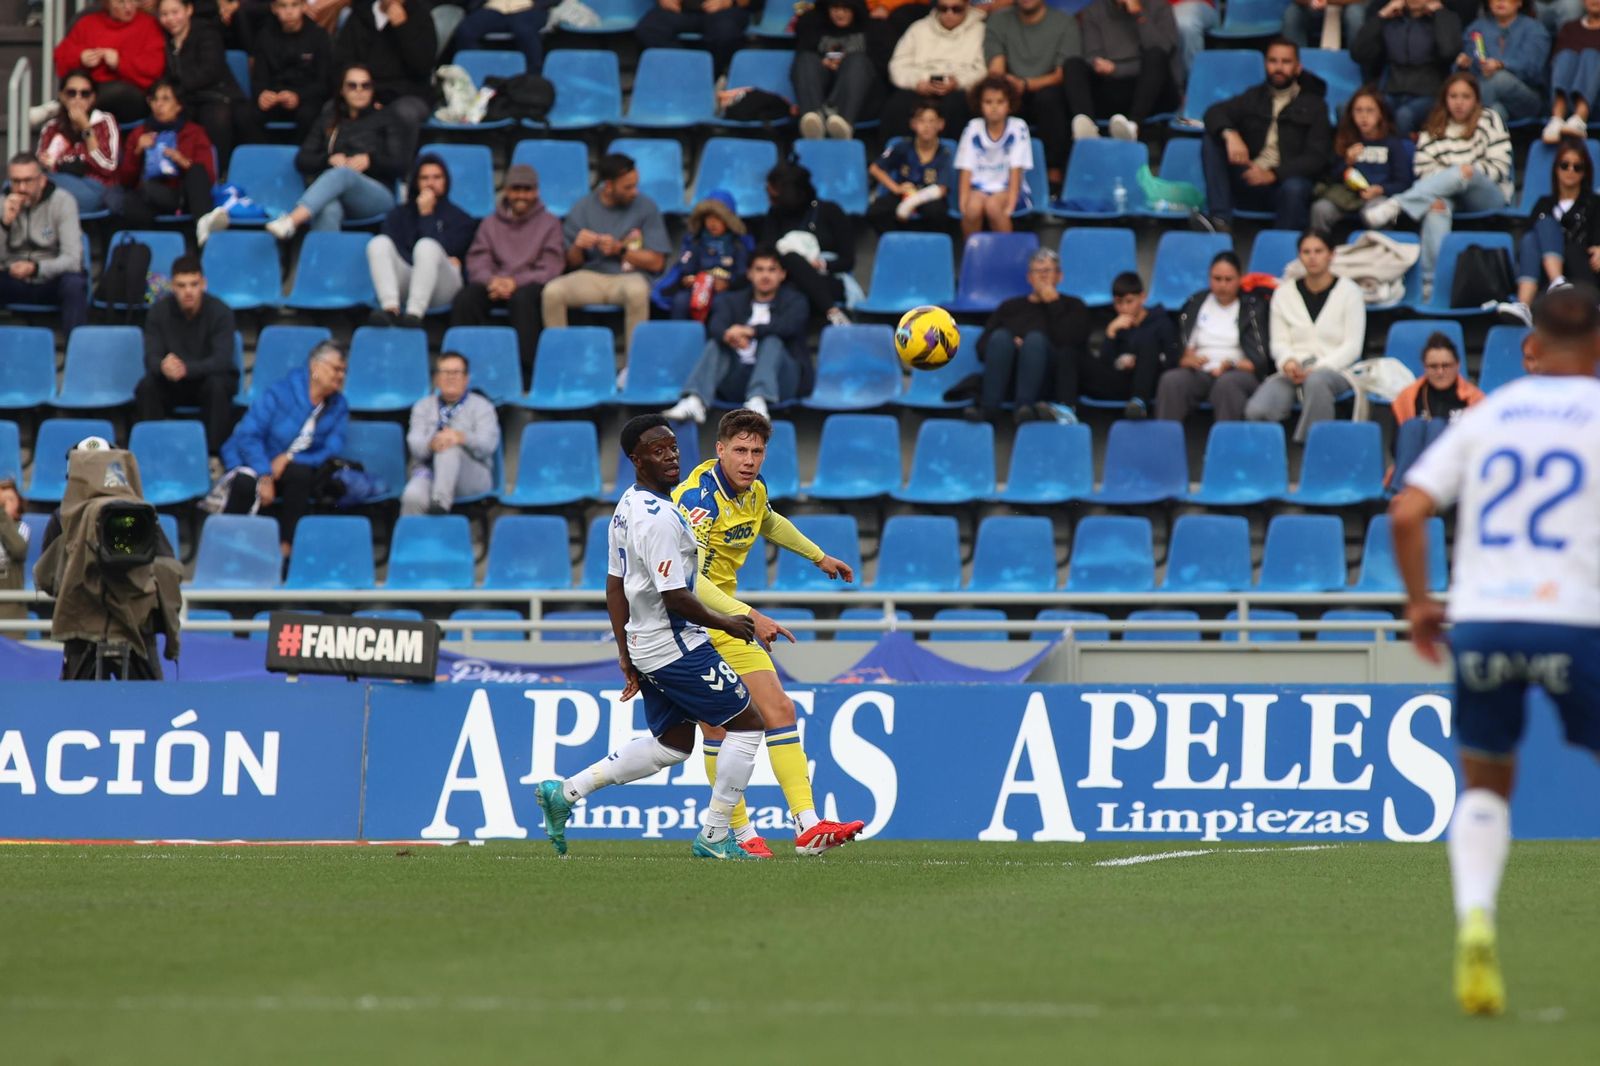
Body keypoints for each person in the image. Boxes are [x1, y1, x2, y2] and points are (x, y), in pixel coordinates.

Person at [1389, 283, 1600, 1017]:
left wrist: (1420, 603)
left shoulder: (1490, 415)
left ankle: (1477, 919)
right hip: (1575, 623)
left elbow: (1408, 510)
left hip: (1483, 624)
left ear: (1529, 347)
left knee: (1484, 786)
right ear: (1599, 345)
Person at [532, 414, 767, 861]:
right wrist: (728, 621)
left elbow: (614, 584)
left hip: (646, 643)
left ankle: (565, 792)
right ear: (636, 460)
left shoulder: (627, 506)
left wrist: (626, 654)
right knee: (748, 724)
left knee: (674, 744)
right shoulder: (657, 518)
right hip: (675, 642)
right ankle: (716, 835)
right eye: (658, 451)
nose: (671, 456)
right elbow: (676, 595)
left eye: (673, 447)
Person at [669, 409, 865, 858]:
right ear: (719, 450)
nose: (749, 459)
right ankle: (736, 833)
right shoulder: (698, 501)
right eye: (739, 450)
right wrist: (752, 616)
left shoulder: (753, 492)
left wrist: (818, 557)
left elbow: (770, 521)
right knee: (718, 728)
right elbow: (689, 582)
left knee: (778, 707)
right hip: (687, 624)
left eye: (757, 451)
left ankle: (808, 826)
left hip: (728, 619)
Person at [1360, 74, 1513, 301]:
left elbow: (1501, 166)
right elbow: (1424, 170)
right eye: (1453, 96)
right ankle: (1430, 285)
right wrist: (1453, 179)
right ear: (1445, 99)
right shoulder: (1433, 127)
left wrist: (1465, 173)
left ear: (1476, 99)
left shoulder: (1490, 119)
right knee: (1435, 207)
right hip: (1448, 193)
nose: (1459, 102)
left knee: (1463, 172)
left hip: (1487, 192)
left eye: (1465, 97)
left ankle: (1398, 204)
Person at [218, 340, 350, 555]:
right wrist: (265, 474)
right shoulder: (279, 393)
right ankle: (227, 551)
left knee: (301, 474)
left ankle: (286, 551)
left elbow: (332, 448)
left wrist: (289, 458)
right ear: (315, 367)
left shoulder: (339, 405)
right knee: (244, 484)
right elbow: (248, 436)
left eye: (344, 371)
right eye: (336, 369)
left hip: (291, 470)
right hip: (255, 461)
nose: (341, 376)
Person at [541, 153, 671, 354]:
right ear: (608, 186)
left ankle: (631, 369)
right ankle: (562, 360)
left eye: (635, 185)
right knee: (552, 292)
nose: (634, 192)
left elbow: (657, 263)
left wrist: (621, 250)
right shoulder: (582, 208)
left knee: (638, 292)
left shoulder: (647, 207)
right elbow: (571, 264)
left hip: (628, 277)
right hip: (591, 276)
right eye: (628, 187)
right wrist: (578, 247)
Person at [662, 248, 809, 423]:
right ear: (749, 273)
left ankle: (759, 400)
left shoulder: (796, 301)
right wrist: (729, 335)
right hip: (738, 379)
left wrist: (750, 331)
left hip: (781, 381)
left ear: (782, 275)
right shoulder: (731, 300)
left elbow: (788, 326)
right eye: (759, 269)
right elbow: (715, 325)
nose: (765, 275)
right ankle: (695, 401)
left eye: (772, 270)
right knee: (717, 344)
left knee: (772, 340)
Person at [1200, 39, 1330, 234]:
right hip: (1250, 175)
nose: (1278, 68)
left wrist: (1273, 174)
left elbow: (1317, 157)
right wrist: (1230, 134)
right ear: (1265, 64)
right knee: (1213, 139)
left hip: (1284, 182)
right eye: (1273, 61)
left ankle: (1282, 245)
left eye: (1286, 62)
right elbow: (1213, 112)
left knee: (1295, 187)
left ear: (1297, 67)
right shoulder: (1254, 96)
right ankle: (1220, 221)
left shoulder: (1315, 105)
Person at [1246, 230, 1366, 441]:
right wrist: (1288, 362)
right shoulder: (1284, 293)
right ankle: (1271, 461)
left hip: (1336, 370)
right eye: (1306, 252)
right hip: (1294, 371)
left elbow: (1352, 347)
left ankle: (1312, 446)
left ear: (1331, 254)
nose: (1312, 257)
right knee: (1257, 410)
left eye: (1319, 251)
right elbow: (1279, 342)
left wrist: (1317, 369)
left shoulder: (1351, 293)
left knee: (1317, 382)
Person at [451, 162, 565, 379]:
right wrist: (492, 281)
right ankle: (461, 367)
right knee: (466, 298)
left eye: (527, 189)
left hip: (528, 286)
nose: (521, 195)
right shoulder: (490, 223)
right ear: (506, 191)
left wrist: (515, 282)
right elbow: (478, 259)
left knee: (523, 299)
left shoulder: (550, 223)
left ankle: (525, 373)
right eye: (516, 189)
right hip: (495, 284)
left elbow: (552, 265)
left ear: (536, 191)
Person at [264, 65, 406, 238]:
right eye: (352, 86)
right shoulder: (329, 118)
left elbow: (401, 164)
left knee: (343, 174)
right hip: (335, 192)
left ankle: (291, 221)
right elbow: (302, 160)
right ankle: (325, 263)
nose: (359, 91)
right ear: (342, 90)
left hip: (377, 195)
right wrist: (328, 159)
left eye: (365, 85)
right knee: (327, 208)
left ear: (372, 89)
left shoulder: (387, 118)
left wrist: (371, 161)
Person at [965, 248, 1091, 423]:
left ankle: (1024, 408)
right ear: (1029, 278)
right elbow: (981, 347)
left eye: (1047, 271)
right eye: (1037, 272)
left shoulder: (1073, 306)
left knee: (1035, 340)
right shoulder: (1010, 307)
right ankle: (989, 409)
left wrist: (1053, 303)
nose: (1042, 276)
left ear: (1059, 276)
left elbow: (1072, 343)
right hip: (1010, 375)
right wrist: (1011, 343)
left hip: (1049, 380)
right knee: (1001, 337)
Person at [135, 255, 240, 455]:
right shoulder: (158, 312)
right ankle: (153, 452)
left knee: (218, 385)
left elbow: (222, 360)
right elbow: (151, 356)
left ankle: (213, 456)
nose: (188, 291)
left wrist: (187, 369)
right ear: (173, 286)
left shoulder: (221, 312)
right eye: (181, 286)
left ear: (204, 284)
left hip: (206, 382)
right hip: (172, 383)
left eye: (194, 284)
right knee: (146, 386)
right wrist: (163, 366)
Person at [1154, 251, 1272, 423]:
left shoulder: (1253, 307)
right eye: (1217, 279)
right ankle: (1165, 444)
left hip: (1239, 372)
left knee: (1226, 385)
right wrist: (1188, 360)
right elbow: (1184, 349)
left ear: (1240, 279)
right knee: (1171, 381)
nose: (1222, 285)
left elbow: (1259, 362)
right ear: (1209, 278)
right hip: (1202, 371)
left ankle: (1226, 446)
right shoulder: (1196, 303)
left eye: (1228, 279)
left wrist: (1232, 365)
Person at [366, 155, 477, 328]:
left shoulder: (461, 218)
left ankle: (414, 315)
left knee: (426, 247)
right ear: (416, 182)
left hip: (444, 285)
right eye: (424, 178)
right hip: (408, 280)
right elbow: (395, 250)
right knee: (378, 243)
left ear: (446, 181)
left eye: (437, 177)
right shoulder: (398, 214)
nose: (430, 183)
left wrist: (427, 216)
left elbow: (447, 250)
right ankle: (389, 309)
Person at [1499, 137, 1600, 325]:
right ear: (1556, 168)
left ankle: (1557, 285)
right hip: (1545, 277)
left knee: (1546, 225)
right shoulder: (1543, 203)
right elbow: (1530, 248)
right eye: (1565, 165)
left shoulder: (1595, 203)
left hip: (1582, 272)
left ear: (1585, 172)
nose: (1570, 171)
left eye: (1577, 167)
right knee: (1530, 238)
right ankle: (1527, 304)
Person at [983, 0, 1075, 186]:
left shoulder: (1065, 23)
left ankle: (1054, 175)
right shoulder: (998, 20)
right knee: (991, 98)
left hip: (1048, 91)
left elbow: (1061, 75)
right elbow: (996, 69)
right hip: (1010, 92)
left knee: (1050, 99)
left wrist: (1026, 84)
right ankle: (990, 173)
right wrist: (1009, 85)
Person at [1064, 0, 1181, 145]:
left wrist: (1139, 14)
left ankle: (1133, 127)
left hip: (1152, 93)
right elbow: (1093, 56)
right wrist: (1103, 66)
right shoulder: (1093, 11)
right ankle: (1088, 132)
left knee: (1155, 55)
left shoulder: (1159, 7)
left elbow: (1164, 51)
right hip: (1112, 88)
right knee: (1073, 64)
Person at [756, 161, 856, 327]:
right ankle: (833, 312)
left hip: (826, 279)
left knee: (793, 290)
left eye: (773, 192)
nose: (769, 197)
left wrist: (821, 264)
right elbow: (768, 251)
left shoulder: (830, 211)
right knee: (790, 259)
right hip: (786, 278)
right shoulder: (775, 214)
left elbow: (848, 261)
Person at [112, 79, 219, 231]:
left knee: (196, 171)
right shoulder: (140, 134)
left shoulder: (194, 133)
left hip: (183, 195)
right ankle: (145, 248)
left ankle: (204, 231)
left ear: (179, 105)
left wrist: (182, 161)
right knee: (132, 199)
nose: (159, 105)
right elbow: (126, 181)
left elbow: (207, 176)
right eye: (154, 99)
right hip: (150, 196)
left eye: (165, 99)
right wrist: (137, 152)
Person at [0, 153, 88, 336]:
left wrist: (36, 268)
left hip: (49, 278)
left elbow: (73, 260)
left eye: (28, 181)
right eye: (16, 181)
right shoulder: (3, 203)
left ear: (42, 180)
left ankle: (74, 352)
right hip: (13, 279)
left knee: (74, 283)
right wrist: (4, 224)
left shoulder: (63, 202)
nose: (21, 188)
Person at [402, 352, 499, 516]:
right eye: (445, 372)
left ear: (466, 379)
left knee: (449, 447)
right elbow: (414, 443)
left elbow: (488, 445)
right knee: (413, 496)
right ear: (436, 379)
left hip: (471, 476)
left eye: (456, 372)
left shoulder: (483, 407)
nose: (450, 377)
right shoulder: (422, 406)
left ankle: (440, 504)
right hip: (429, 472)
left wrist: (462, 438)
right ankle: (414, 540)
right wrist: (431, 444)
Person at [331, 0, 435, 154]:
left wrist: (403, 27)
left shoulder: (420, 15)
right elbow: (342, 63)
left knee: (405, 113)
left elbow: (423, 67)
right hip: (364, 90)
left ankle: (402, 173)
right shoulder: (359, 15)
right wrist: (367, 95)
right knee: (332, 107)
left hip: (406, 95)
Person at [1310, 88, 1415, 237]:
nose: (1364, 116)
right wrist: (1346, 161)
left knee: (1377, 211)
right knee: (1320, 209)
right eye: (1358, 111)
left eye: (1370, 111)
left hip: (1378, 196)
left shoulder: (1393, 144)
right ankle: (1321, 252)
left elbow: (1403, 183)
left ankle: (1378, 254)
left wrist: (1381, 189)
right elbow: (1330, 178)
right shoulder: (1345, 140)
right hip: (1346, 196)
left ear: (1380, 114)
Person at [1077, 270, 1179, 419]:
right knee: (1075, 356)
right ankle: (1064, 407)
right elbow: (1105, 363)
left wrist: (1141, 363)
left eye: (1129, 301)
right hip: (1122, 381)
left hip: (1152, 382)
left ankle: (1139, 403)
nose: (1124, 308)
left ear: (1142, 298)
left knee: (1147, 340)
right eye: (1118, 302)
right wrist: (1110, 334)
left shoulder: (1161, 323)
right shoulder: (1115, 323)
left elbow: (1171, 361)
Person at [1352, 0, 1463, 136]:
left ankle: (1401, 156)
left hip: (1428, 94)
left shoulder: (1447, 18)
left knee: (1404, 115)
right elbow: (1358, 54)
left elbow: (1448, 52)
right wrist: (1382, 16)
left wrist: (1440, 14)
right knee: (1359, 109)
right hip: (1391, 90)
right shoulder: (1391, 20)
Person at [881, 0, 988, 136]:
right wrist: (917, 82)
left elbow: (982, 70)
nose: (949, 14)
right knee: (897, 105)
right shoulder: (918, 28)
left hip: (957, 89)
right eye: (944, 9)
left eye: (956, 9)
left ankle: (950, 153)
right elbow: (897, 65)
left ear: (967, 7)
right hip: (920, 85)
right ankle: (895, 153)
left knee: (956, 105)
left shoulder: (980, 31)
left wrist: (958, 82)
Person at [52, 0, 167, 125]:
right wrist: (81, 57)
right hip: (88, 87)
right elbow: (61, 58)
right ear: (107, 3)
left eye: (133, 1)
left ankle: (57, 107)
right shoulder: (87, 23)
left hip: (131, 96)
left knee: (117, 91)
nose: (128, 7)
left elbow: (155, 68)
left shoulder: (149, 24)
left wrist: (120, 62)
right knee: (80, 88)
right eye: (120, 3)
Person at [235, 0, 333, 145]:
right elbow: (258, 78)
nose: (289, 11)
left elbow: (324, 83)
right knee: (243, 114)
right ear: (274, 8)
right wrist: (262, 94)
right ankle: (266, 155)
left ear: (304, 7)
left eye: (295, 5)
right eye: (283, 6)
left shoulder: (319, 36)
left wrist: (299, 96)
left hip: (306, 98)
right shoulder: (265, 36)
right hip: (274, 97)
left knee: (310, 115)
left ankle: (298, 158)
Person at [157, 0, 239, 166]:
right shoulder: (162, 38)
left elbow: (209, 71)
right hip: (185, 97)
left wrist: (175, 91)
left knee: (215, 117)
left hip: (216, 94)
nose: (170, 19)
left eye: (175, 12)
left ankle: (217, 170)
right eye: (165, 14)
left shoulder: (207, 32)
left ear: (188, 10)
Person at [35, 71, 124, 217]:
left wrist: (86, 128)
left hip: (95, 188)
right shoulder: (52, 127)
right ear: (62, 96)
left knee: (29, 187)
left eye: (85, 94)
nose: (78, 99)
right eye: (71, 93)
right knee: (25, 184)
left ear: (93, 98)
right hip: (58, 184)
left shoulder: (105, 122)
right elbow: (44, 167)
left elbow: (108, 166)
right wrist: (45, 163)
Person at [955, 74, 1032, 238]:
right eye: (988, 102)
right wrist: (963, 204)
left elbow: (1016, 170)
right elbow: (966, 169)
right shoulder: (972, 127)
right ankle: (974, 257)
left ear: (1009, 104)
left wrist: (1010, 205)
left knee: (994, 206)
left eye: (1000, 102)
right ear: (980, 104)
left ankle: (1006, 257)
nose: (994, 107)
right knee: (972, 209)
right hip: (978, 189)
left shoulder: (1018, 127)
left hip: (1008, 190)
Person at [794, 0, 882, 141]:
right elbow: (805, 52)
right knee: (806, 59)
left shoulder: (873, 28)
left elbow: (881, 67)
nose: (840, 14)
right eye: (835, 8)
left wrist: (846, 63)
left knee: (857, 62)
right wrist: (824, 60)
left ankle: (842, 123)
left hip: (858, 97)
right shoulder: (814, 25)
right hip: (822, 89)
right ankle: (813, 119)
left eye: (845, 9)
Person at [658, 190, 750, 322]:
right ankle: (679, 339)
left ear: (729, 220)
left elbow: (744, 276)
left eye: (718, 218)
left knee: (721, 303)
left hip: (727, 291)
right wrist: (689, 280)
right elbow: (686, 268)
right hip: (698, 290)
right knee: (681, 301)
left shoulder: (739, 244)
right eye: (709, 218)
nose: (712, 223)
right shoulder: (695, 241)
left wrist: (728, 284)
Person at [867, 101, 956, 231]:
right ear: (913, 124)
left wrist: (910, 204)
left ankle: (926, 247)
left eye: (932, 121)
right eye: (921, 121)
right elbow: (875, 168)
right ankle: (895, 243)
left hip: (929, 197)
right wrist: (896, 188)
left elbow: (941, 189)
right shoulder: (902, 146)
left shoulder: (945, 152)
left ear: (940, 124)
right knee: (876, 211)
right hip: (903, 192)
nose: (927, 126)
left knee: (936, 213)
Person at [1461, 0, 1550, 125]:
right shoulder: (1476, 28)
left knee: (1499, 78)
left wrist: (1501, 65)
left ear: (1519, 3)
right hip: (1486, 92)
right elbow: (1469, 65)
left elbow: (1533, 70)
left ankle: (1461, 123)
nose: (1500, 1)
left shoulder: (1535, 29)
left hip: (1526, 97)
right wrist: (1463, 65)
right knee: (1495, 111)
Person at [1390, 330, 1484, 432]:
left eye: (1446, 365)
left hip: (1459, 446)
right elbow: (1397, 442)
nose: (1440, 372)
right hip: (1418, 446)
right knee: (1413, 426)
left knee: (1436, 426)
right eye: (1433, 366)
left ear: (1458, 365)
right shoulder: (1408, 397)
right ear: (1424, 367)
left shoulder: (1474, 398)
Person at [635, 0, 751, 74]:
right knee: (650, 28)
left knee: (725, 32)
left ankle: (709, 77)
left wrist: (729, 1)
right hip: (679, 9)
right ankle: (686, 74)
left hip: (724, 10)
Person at [1542, 0, 1600, 141]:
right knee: (1565, 55)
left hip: (1596, 102)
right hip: (1567, 98)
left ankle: (1580, 118)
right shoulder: (1570, 28)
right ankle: (1557, 118)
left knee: (1591, 55)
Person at [451, 0, 553, 75]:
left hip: (530, 7)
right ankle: (475, 72)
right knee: (466, 30)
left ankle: (533, 77)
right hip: (494, 7)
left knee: (524, 30)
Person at [1283, 0, 1366, 50]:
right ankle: (1296, 63)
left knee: (1355, 15)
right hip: (1311, 8)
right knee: (1292, 14)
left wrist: (1328, 1)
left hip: (1347, 6)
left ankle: (1360, 66)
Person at [0, 478, 26, 631]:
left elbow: (19, 549)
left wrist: (2, 516)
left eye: (10, 499)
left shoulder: (22, 528)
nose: (4, 504)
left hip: (12, 609)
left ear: (19, 504)